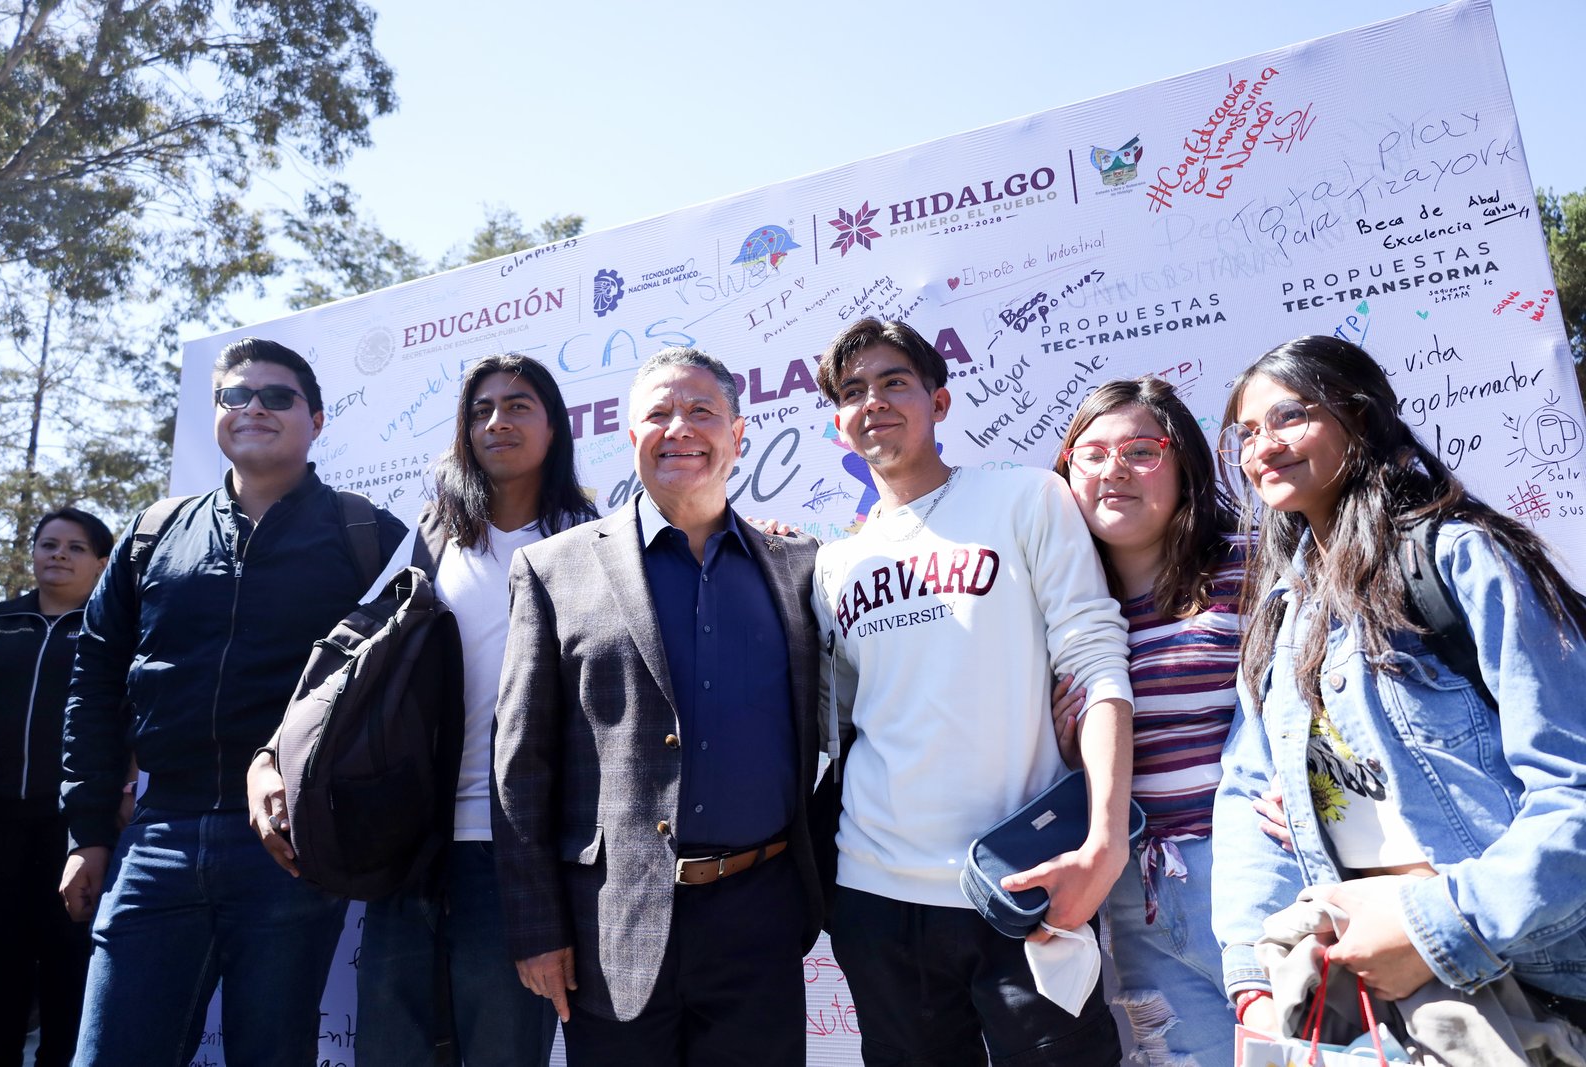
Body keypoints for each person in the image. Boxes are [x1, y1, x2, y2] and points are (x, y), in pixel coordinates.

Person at [1211, 336, 1586, 1053]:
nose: (1263, 446)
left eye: (1290, 416)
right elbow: (1245, 792)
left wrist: (1438, 927)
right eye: (1248, 432)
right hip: (1364, 998)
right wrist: (1254, 982)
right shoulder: (1282, 612)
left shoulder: (1457, 558)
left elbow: (1574, 785)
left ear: (1360, 416)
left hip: (1524, 972)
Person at [60, 338, 406, 1067]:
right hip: (155, 837)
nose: (253, 408)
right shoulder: (152, 535)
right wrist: (87, 832)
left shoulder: (370, 537)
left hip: (290, 847)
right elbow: (93, 683)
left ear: (316, 419)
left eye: (276, 397)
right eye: (235, 396)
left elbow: (404, 694)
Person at [247, 353, 596, 1065]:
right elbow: (349, 656)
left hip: (523, 863)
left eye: (518, 405)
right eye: (480, 410)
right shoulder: (432, 537)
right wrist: (270, 755)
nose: (497, 422)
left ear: (554, 427)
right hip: (412, 849)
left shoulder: (593, 540)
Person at [810, 317, 1133, 1066]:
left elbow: (1095, 660)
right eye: (852, 391)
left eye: (894, 382)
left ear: (939, 402)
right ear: (839, 423)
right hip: (874, 894)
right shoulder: (834, 564)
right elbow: (847, 718)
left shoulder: (1026, 497)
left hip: (1023, 879)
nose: (873, 401)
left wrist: (1105, 843)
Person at [491, 346, 824, 1065]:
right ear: (630, 435)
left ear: (738, 434)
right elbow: (521, 767)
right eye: (659, 413)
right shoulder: (553, 569)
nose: (680, 428)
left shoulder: (800, 566)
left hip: (762, 916)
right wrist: (536, 928)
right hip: (611, 928)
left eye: (702, 411)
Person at [1050, 378, 1243, 1065]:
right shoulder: (1054, 610)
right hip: (1133, 892)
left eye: (1140, 450)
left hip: (1251, 869)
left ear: (1183, 463)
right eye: (1093, 453)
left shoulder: (1248, 569)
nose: (1114, 470)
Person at [0, 508, 114, 1067]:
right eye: (49, 544)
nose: (59, 554)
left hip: (74, 827)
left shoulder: (114, 630)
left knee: (68, 961)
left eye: (76, 547)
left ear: (102, 564)